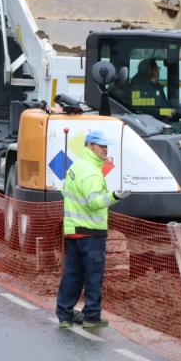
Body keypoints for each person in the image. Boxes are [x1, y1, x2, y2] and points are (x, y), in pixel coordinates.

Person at [55, 130, 130, 329]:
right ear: (90, 146)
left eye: (106, 146)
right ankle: (91, 317)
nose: (105, 150)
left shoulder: (76, 166)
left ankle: (65, 315)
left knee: (73, 273)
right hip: (91, 232)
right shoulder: (90, 171)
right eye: (101, 146)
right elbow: (94, 202)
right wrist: (115, 196)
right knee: (93, 275)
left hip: (73, 230)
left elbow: (64, 191)